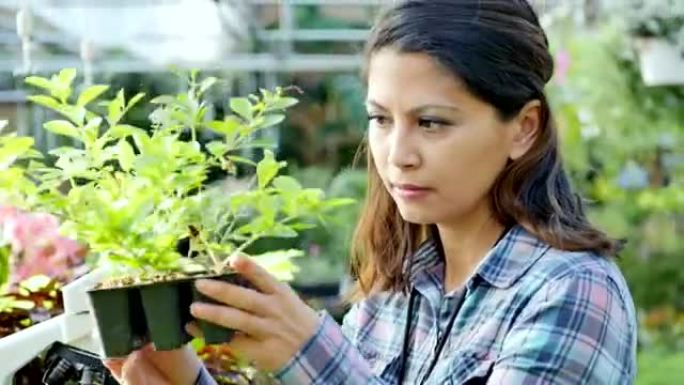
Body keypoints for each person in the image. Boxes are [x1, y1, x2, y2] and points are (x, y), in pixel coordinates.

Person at [103, 1, 637, 384]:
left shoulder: (570, 293)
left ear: (522, 128)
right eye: (381, 119)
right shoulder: (394, 288)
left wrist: (311, 353)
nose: (397, 153)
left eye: (431, 123)